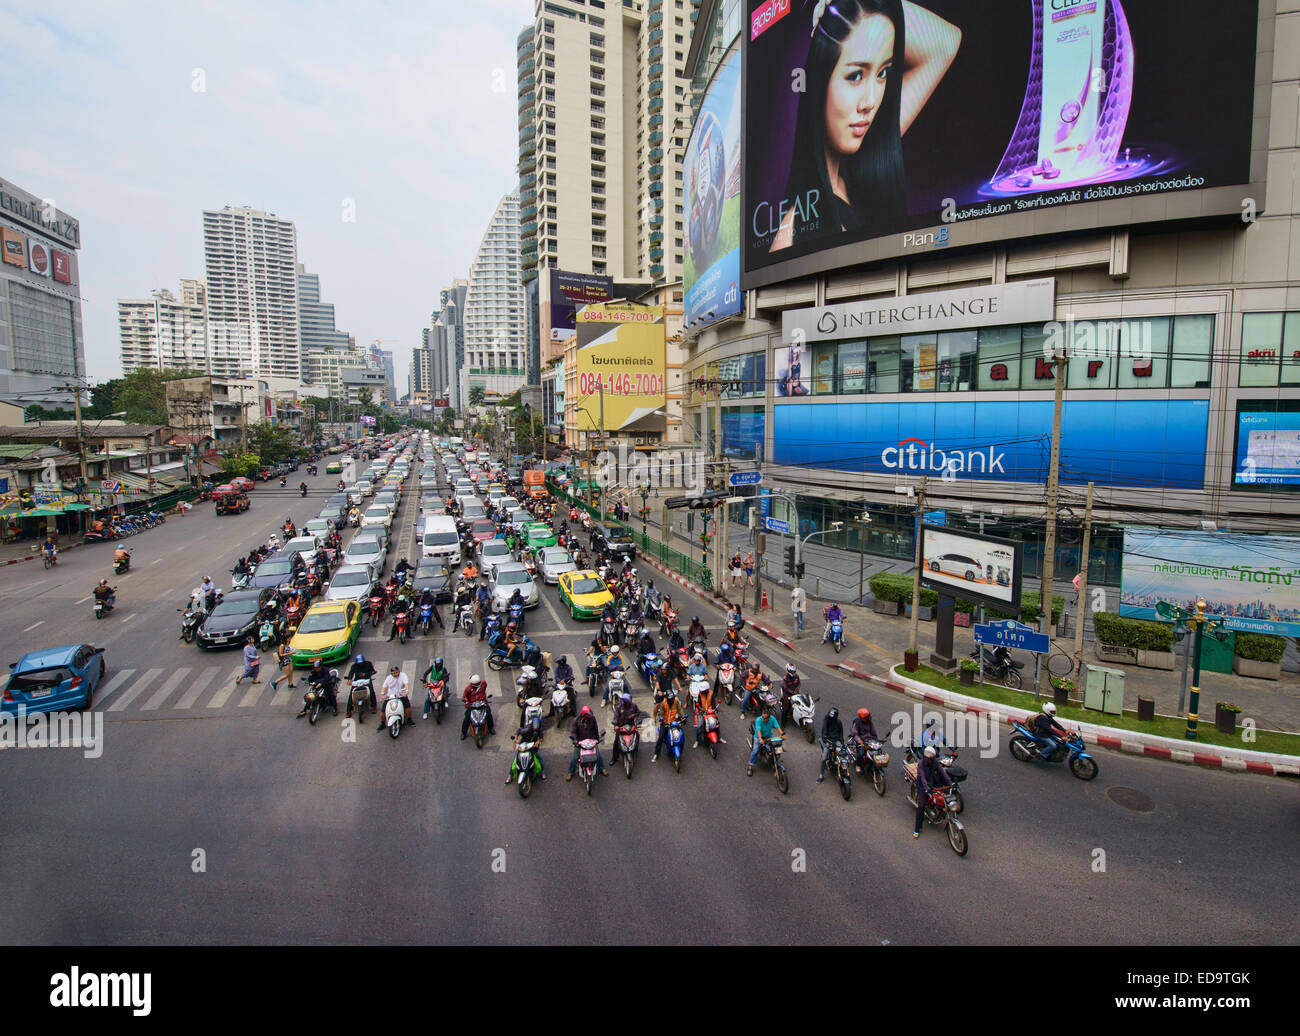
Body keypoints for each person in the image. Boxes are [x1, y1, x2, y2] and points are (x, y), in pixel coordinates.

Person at [766, 0, 960, 254]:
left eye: (883, 73)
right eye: (855, 75)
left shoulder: (868, 157)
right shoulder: (792, 230)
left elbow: (946, 43)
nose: (870, 102)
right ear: (819, 77)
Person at [913, 744, 953, 838]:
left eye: (933, 758)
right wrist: (927, 788)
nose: (932, 759)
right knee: (921, 806)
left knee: (944, 796)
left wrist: (949, 783)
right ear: (927, 758)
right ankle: (917, 829)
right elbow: (922, 777)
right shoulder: (921, 764)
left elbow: (942, 772)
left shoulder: (935, 762)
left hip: (933, 783)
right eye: (931, 758)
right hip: (923, 786)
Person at [748, 703, 783, 777]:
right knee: (755, 750)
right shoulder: (759, 720)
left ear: (769, 717)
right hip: (759, 737)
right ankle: (750, 766)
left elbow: (777, 727)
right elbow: (758, 730)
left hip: (769, 735)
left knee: (777, 747)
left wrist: (782, 734)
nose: (763, 719)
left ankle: (773, 760)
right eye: (763, 717)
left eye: (765, 718)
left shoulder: (772, 719)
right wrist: (760, 739)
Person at [651, 688, 683, 763]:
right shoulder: (663, 703)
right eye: (670, 699)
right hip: (665, 723)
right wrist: (661, 719)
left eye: (672, 699)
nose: (671, 700)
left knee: (680, 735)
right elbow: (661, 713)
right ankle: (656, 754)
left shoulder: (676, 702)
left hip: (674, 723)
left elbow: (680, 710)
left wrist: (683, 717)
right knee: (660, 738)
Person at [610, 692, 642, 763]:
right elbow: (616, 716)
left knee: (637, 736)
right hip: (621, 726)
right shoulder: (619, 707)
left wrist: (634, 715)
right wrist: (616, 725)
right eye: (626, 702)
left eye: (628, 702)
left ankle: (635, 749)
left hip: (631, 725)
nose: (627, 703)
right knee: (616, 742)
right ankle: (614, 758)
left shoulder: (634, 706)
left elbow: (638, 712)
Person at [378, 665, 413, 729]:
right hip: (390, 696)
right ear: (391, 673)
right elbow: (384, 687)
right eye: (393, 673)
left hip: (401, 695)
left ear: (399, 671)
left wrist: (406, 691)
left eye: (396, 672)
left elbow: (406, 684)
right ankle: (382, 723)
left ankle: (409, 720)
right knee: (383, 712)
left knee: (408, 708)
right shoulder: (388, 678)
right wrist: (382, 694)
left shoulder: (403, 675)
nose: (395, 674)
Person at [817, 706, 845, 783]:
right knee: (824, 758)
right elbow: (824, 731)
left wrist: (842, 742)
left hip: (836, 740)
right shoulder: (826, 720)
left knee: (842, 755)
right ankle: (821, 775)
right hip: (828, 740)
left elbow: (841, 733)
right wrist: (826, 741)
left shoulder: (839, 722)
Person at [851, 707, 880, 772]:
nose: (868, 718)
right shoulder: (857, 722)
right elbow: (855, 733)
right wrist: (859, 740)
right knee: (861, 753)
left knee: (878, 750)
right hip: (862, 741)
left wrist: (876, 740)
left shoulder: (869, 722)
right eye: (866, 717)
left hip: (870, 740)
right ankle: (858, 765)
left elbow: (873, 731)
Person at [692, 676, 716, 749]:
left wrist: (714, 709)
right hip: (702, 712)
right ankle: (697, 740)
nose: (702, 691)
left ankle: (719, 737)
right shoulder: (700, 694)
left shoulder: (711, 693)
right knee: (699, 726)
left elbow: (713, 703)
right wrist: (700, 709)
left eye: (703, 690)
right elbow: (698, 704)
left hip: (710, 712)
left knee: (717, 723)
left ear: (707, 689)